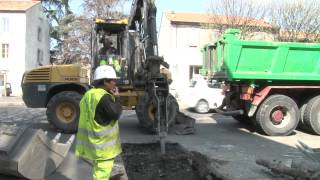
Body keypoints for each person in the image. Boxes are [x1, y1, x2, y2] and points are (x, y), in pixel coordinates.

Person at [75, 65, 123, 180]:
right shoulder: (104, 97)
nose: (115, 83)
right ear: (106, 81)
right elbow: (115, 114)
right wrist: (117, 98)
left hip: (93, 143)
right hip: (104, 147)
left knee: (98, 169)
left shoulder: (89, 94)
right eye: (113, 81)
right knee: (102, 172)